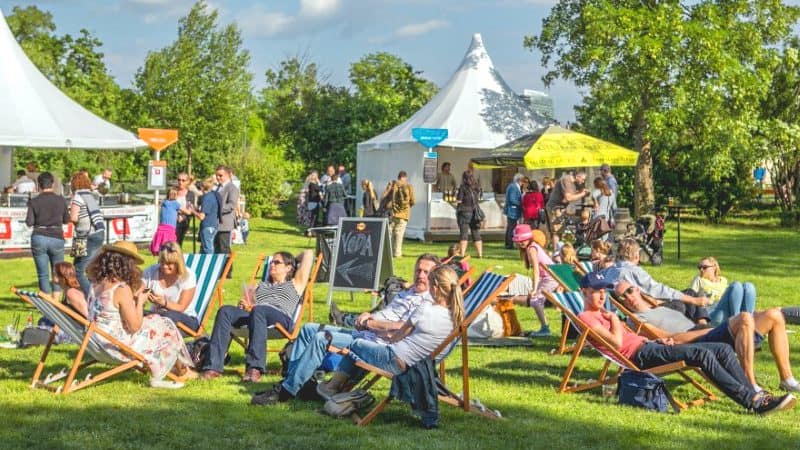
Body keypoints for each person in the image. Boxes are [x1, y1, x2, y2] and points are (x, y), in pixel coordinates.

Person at [579, 272, 795, 416]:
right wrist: (615, 320)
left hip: (650, 346)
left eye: (602, 290)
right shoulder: (587, 317)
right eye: (596, 290)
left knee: (722, 348)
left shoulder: (604, 314)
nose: (600, 295)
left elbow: (630, 337)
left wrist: (655, 339)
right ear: (585, 292)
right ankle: (754, 402)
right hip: (640, 356)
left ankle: (755, 394)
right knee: (702, 355)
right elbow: (617, 342)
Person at [250, 254, 438, 405]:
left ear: (435, 276)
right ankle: (296, 383)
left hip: (374, 343)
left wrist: (370, 323)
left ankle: (286, 391)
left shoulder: (428, 302)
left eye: (426, 272)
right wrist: (367, 314)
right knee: (308, 329)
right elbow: (388, 314)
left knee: (322, 338)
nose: (420, 275)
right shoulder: (409, 292)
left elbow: (401, 328)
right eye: (418, 270)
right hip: (365, 331)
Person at [617, 280, 800, 394]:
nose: (628, 297)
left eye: (630, 290)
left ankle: (787, 380)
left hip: (704, 330)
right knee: (744, 317)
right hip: (693, 341)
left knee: (775, 315)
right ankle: (750, 383)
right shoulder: (637, 321)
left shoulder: (658, 307)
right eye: (622, 297)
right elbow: (669, 340)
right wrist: (706, 330)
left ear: (638, 290)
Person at [316, 264, 464, 399]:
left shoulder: (426, 308)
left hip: (397, 361)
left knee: (358, 344)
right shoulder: (456, 317)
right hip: (420, 367)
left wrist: (383, 336)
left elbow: (398, 336)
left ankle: (332, 387)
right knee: (367, 348)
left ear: (436, 288)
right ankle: (341, 389)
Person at [87, 241, 194, 389]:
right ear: (126, 264)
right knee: (164, 325)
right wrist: (140, 302)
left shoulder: (95, 284)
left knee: (156, 320)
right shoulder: (121, 289)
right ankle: (178, 371)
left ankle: (177, 368)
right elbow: (134, 327)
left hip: (96, 341)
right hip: (116, 346)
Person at [201, 249, 314, 383]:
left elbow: (309, 254)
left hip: (281, 319)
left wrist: (293, 260)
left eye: (277, 262)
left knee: (259, 310)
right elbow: (249, 306)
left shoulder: (296, 284)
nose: (272, 265)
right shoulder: (260, 285)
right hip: (257, 315)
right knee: (225, 310)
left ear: (288, 268)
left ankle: (254, 368)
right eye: (271, 262)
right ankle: (213, 366)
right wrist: (244, 305)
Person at [610, 238, 710, 323]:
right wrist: (693, 300)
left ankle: (702, 324)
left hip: (639, 306)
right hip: (649, 308)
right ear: (636, 255)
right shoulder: (633, 271)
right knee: (683, 303)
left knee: (690, 292)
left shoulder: (612, 270)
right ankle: (702, 327)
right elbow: (658, 290)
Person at [26, 172, 69, 294]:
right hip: (57, 237)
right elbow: (66, 220)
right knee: (58, 272)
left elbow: (29, 222)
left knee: (43, 274)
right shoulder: (60, 200)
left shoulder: (33, 201)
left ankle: (47, 304)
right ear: (53, 184)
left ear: (38, 185)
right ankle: (56, 302)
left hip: (39, 237)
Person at [141, 241, 198, 332]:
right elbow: (137, 293)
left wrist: (163, 302)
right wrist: (142, 297)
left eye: (169, 263)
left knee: (168, 316)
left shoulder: (188, 276)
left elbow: (181, 308)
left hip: (185, 320)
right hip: (157, 317)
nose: (164, 266)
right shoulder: (151, 271)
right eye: (162, 262)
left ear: (178, 263)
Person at [509, 225, 554, 337]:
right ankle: (544, 327)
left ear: (529, 238)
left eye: (523, 240)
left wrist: (534, 289)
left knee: (535, 300)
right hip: (548, 277)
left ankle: (545, 329)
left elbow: (536, 271)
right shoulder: (531, 247)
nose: (521, 243)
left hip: (551, 278)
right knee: (536, 300)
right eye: (519, 241)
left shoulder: (532, 249)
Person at [689, 257, 756, 326]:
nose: (701, 270)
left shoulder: (723, 280)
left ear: (714, 267)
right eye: (699, 267)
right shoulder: (698, 279)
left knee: (749, 286)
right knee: (736, 285)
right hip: (711, 312)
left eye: (704, 267)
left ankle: (749, 323)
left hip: (728, 311)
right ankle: (737, 323)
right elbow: (690, 298)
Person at [70, 172, 105, 296]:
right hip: (99, 232)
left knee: (78, 270)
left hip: (85, 236)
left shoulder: (78, 197)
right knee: (93, 268)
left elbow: (74, 217)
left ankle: (90, 297)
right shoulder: (91, 195)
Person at [545, 170, 590, 249]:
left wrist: (581, 192)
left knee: (560, 231)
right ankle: (556, 252)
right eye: (582, 179)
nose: (583, 182)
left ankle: (558, 250)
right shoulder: (566, 180)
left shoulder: (573, 183)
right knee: (557, 231)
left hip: (561, 208)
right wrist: (582, 194)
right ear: (577, 176)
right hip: (555, 208)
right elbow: (568, 198)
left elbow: (569, 197)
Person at [150, 188, 192, 256]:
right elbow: (187, 212)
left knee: (161, 249)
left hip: (161, 229)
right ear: (176, 196)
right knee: (170, 249)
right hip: (170, 229)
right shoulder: (175, 204)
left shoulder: (164, 202)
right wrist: (190, 209)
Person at [215, 165, 240, 278]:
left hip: (225, 223)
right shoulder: (218, 187)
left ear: (228, 175)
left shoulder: (232, 188)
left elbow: (231, 205)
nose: (218, 178)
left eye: (221, 175)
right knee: (217, 247)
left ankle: (228, 272)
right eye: (217, 175)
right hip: (216, 223)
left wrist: (216, 209)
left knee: (224, 248)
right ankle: (220, 270)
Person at [384, 171, 415, 258]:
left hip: (393, 213)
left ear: (398, 177)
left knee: (390, 233)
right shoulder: (409, 186)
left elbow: (386, 198)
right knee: (399, 234)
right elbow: (413, 200)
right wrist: (408, 207)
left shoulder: (393, 185)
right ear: (405, 177)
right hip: (404, 214)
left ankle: (388, 252)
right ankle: (397, 253)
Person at [455, 171, 483, 258]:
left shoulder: (463, 188)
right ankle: (480, 254)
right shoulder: (476, 187)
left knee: (464, 233)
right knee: (476, 233)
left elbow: (459, 200)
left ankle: (462, 254)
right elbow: (479, 198)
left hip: (464, 212)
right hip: (475, 213)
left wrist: (456, 203)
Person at [193, 179, 221, 254]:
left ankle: (211, 264)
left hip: (207, 226)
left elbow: (201, 216)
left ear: (202, 188)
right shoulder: (212, 196)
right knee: (203, 248)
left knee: (207, 249)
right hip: (213, 225)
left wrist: (193, 211)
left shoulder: (207, 198)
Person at [174, 173, 197, 246]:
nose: (180, 182)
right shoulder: (173, 192)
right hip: (172, 220)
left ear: (187, 182)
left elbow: (190, 209)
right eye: (179, 180)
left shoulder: (190, 194)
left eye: (183, 180)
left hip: (184, 221)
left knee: (178, 242)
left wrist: (182, 216)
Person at [503, 173, 523, 249]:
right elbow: (512, 199)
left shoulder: (513, 186)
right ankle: (509, 244)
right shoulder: (513, 187)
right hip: (512, 210)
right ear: (519, 180)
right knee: (511, 227)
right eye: (522, 181)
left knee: (510, 227)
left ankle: (508, 244)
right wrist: (521, 203)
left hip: (512, 210)